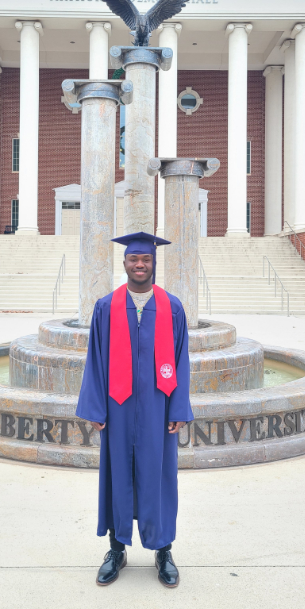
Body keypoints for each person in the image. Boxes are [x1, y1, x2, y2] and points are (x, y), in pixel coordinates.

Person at [76, 231, 193, 589]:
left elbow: (181, 359)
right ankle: (116, 549)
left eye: (145, 259)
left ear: (153, 263)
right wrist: (96, 407)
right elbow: (95, 361)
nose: (139, 264)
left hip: (159, 408)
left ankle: (163, 551)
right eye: (133, 259)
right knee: (117, 475)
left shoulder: (171, 306)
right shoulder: (106, 307)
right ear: (124, 263)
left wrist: (178, 407)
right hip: (117, 407)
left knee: (160, 476)